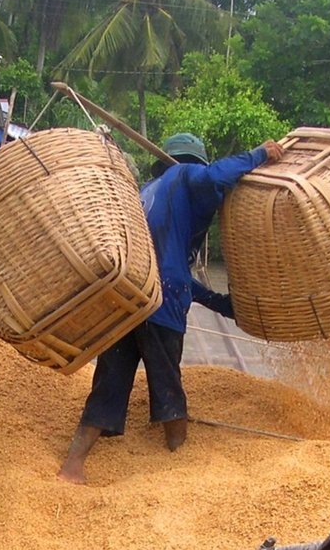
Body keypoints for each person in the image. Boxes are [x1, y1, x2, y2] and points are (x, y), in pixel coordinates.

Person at [57, 132, 285, 484]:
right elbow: (215, 177)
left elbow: (174, 270)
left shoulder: (148, 192)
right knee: (168, 388)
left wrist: (223, 306)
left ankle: (72, 466)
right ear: (191, 162)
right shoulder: (185, 175)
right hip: (161, 305)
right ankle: (181, 464)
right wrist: (260, 154)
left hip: (128, 300)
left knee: (108, 385)